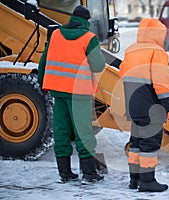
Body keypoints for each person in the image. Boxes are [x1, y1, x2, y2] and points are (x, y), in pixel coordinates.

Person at [38, 5, 106, 184]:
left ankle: (65, 173)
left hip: (57, 90)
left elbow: (43, 61)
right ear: (86, 20)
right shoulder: (88, 37)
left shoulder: (56, 35)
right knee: (83, 131)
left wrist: (42, 83)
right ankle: (89, 173)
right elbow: (98, 65)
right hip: (79, 93)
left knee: (61, 131)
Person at [119, 18, 169, 192]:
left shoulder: (131, 50)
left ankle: (134, 179)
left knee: (136, 142)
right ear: (158, 35)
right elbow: (160, 84)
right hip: (150, 107)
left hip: (133, 105)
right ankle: (147, 181)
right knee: (149, 144)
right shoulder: (157, 52)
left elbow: (123, 74)